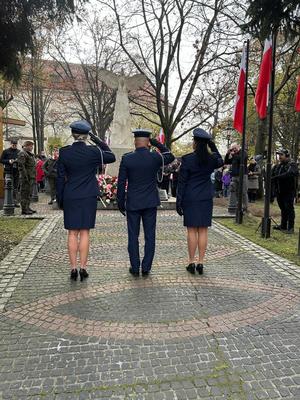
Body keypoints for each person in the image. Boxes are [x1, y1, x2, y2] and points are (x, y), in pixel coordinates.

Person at [56, 120, 116, 281]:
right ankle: (83, 267)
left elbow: (60, 177)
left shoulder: (64, 152)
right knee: (84, 232)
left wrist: (60, 199)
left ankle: (73, 268)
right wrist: (98, 141)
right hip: (88, 195)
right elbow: (111, 156)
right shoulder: (94, 152)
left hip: (70, 195)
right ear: (86, 135)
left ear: (72, 134)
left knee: (72, 232)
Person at [117, 129, 174, 277]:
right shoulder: (155, 157)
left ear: (135, 141)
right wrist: (155, 142)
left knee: (132, 236)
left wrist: (120, 203)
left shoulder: (127, 158)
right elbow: (170, 155)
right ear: (147, 142)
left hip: (133, 202)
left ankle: (135, 267)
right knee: (150, 236)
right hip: (150, 202)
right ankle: (146, 266)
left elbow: (122, 183)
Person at [176, 128, 223, 275]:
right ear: (206, 143)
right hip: (205, 198)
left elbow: (182, 183)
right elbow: (220, 159)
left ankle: (191, 261)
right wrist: (213, 145)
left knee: (191, 230)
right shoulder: (211, 159)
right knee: (203, 230)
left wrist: (179, 201)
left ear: (195, 143)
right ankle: (201, 262)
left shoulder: (187, 159)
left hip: (190, 197)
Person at [271, 149, 298, 234]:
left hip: (289, 191)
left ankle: (290, 228)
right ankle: (283, 225)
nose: (279, 157)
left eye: (281, 155)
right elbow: (273, 175)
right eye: (279, 155)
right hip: (279, 191)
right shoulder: (279, 165)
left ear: (286, 155)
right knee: (283, 209)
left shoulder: (292, 164)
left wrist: (276, 177)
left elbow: (290, 174)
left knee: (289, 209)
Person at [224, 143, 248, 213]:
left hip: (242, 175)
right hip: (234, 176)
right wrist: (227, 154)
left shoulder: (243, 152)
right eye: (232, 149)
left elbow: (241, 159)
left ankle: (245, 208)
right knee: (236, 192)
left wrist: (233, 154)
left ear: (238, 146)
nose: (233, 150)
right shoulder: (234, 155)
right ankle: (238, 206)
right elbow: (226, 162)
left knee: (243, 192)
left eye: (234, 148)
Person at [17, 141, 36, 215]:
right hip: (26, 178)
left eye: (32, 146)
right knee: (24, 193)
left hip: (31, 177)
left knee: (29, 193)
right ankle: (24, 209)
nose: (32, 148)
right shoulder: (22, 154)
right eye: (31, 146)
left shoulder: (30, 154)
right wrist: (25, 177)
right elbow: (21, 167)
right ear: (26, 146)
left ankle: (27, 207)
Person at [0, 139, 20, 207]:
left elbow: (21, 161)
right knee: (8, 186)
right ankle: (8, 201)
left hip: (16, 171)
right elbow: (1, 160)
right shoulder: (6, 151)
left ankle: (14, 201)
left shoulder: (19, 152)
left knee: (15, 187)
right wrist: (8, 161)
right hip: (8, 171)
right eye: (13, 145)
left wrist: (17, 161)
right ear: (10, 144)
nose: (14, 146)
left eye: (15, 145)